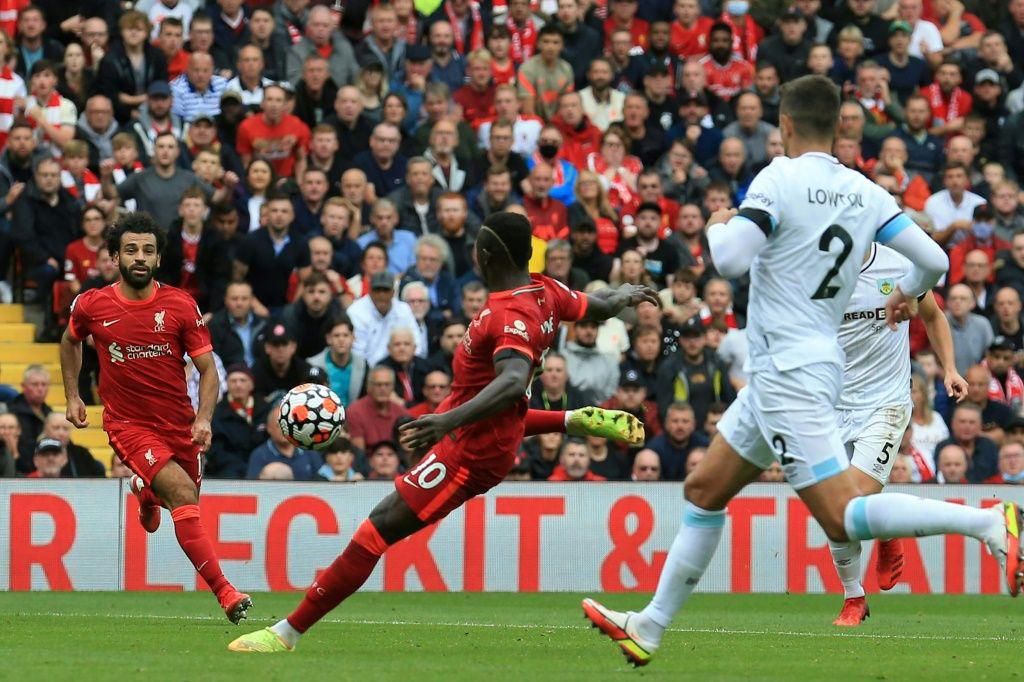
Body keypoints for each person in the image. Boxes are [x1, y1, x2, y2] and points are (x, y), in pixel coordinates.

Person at [582, 74, 1018, 667]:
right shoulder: (864, 192)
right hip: (792, 373)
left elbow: (730, 259)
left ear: (783, 126)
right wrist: (908, 293)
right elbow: (937, 261)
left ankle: (991, 523)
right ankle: (650, 626)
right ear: (839, 126)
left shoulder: (778, 179)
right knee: (704, 489)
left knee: (844, 514)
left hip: (792, 370)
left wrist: (716, 224)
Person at [228, 210, 656, 653]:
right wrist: (625, 293)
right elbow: (596, 305)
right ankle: (573, 418)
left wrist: (445, 421)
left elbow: (511, 383)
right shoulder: (545, 290)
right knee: (385, 521)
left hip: (467, 454)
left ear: (487, 254)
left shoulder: (510, 313)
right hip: (482, 432)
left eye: (478, 243)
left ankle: (287, 633)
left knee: (375, 531)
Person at [60, 212, 251, 623]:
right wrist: (73, 395)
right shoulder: (93, 305)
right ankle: (226, 593)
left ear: (159, 258)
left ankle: (146, 494)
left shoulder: (180, 306)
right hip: (128, 425)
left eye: (148, 249)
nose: (140, 257)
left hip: (180, 425)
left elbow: (209, 370)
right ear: (114, 256)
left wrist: (203, 419)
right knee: (183, 494)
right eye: (130, 249)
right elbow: (70, 340)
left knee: (182, 497)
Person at [827, 241, 967, 625]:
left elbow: (934, 317)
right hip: (831, 404)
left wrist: (950, 370)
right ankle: (858, 584)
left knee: (849, 501)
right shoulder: (814, 269)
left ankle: (855, 597)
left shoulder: (899, 265)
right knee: (833, 509)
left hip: (886, 402)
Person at [246, 406, 323, 480]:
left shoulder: (310, 452)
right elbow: (253, 488)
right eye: (279, 425)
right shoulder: (259, 455)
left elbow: (324, 484)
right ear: (269, 428)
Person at [307, 316, 369, 408]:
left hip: (353, 419)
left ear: (353, 338)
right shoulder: (312, 365)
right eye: (336, 335)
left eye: (345, 335)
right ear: (328, 339)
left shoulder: (363, 365)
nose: (341, 339)